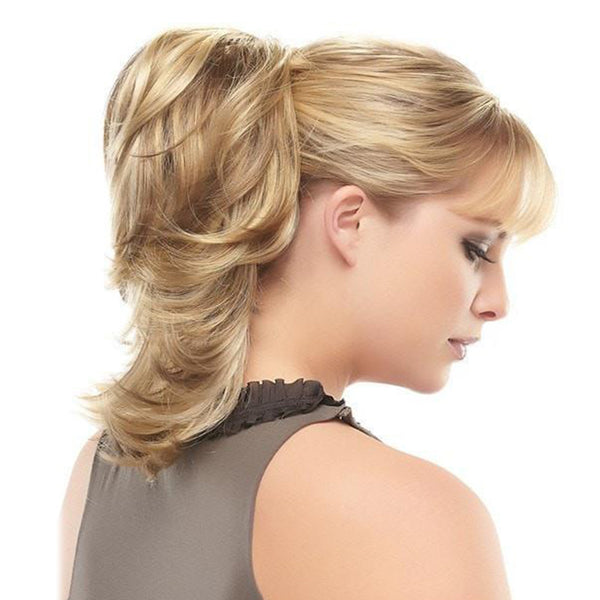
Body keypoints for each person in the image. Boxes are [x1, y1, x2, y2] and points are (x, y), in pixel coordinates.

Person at [59, 26, 556, 600]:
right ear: (351, 222)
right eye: (476, 249)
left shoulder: (99, 472)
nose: (497, 303)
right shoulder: (405, 513)